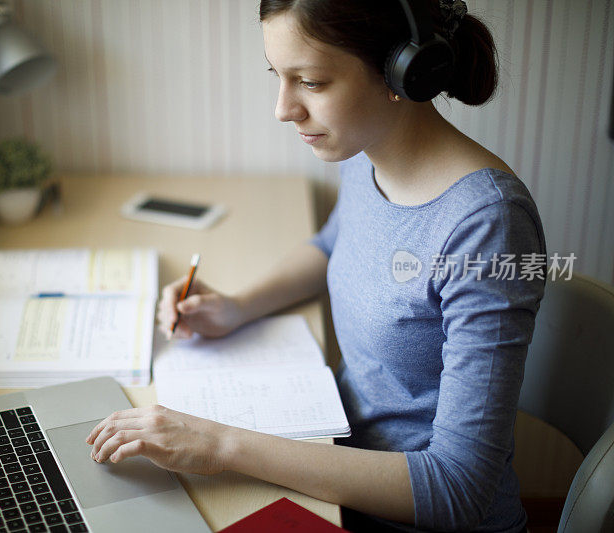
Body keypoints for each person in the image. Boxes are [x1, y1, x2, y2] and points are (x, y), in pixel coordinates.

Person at [86, 1, 546, 531]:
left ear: (401, 70)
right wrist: (238, 306)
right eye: (277, 76)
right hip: (340, 465)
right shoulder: (366, 150)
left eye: (310, 81)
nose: (283, 108)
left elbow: (458, 488)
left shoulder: (489, 225)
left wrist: (220, 444)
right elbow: (334, 243)